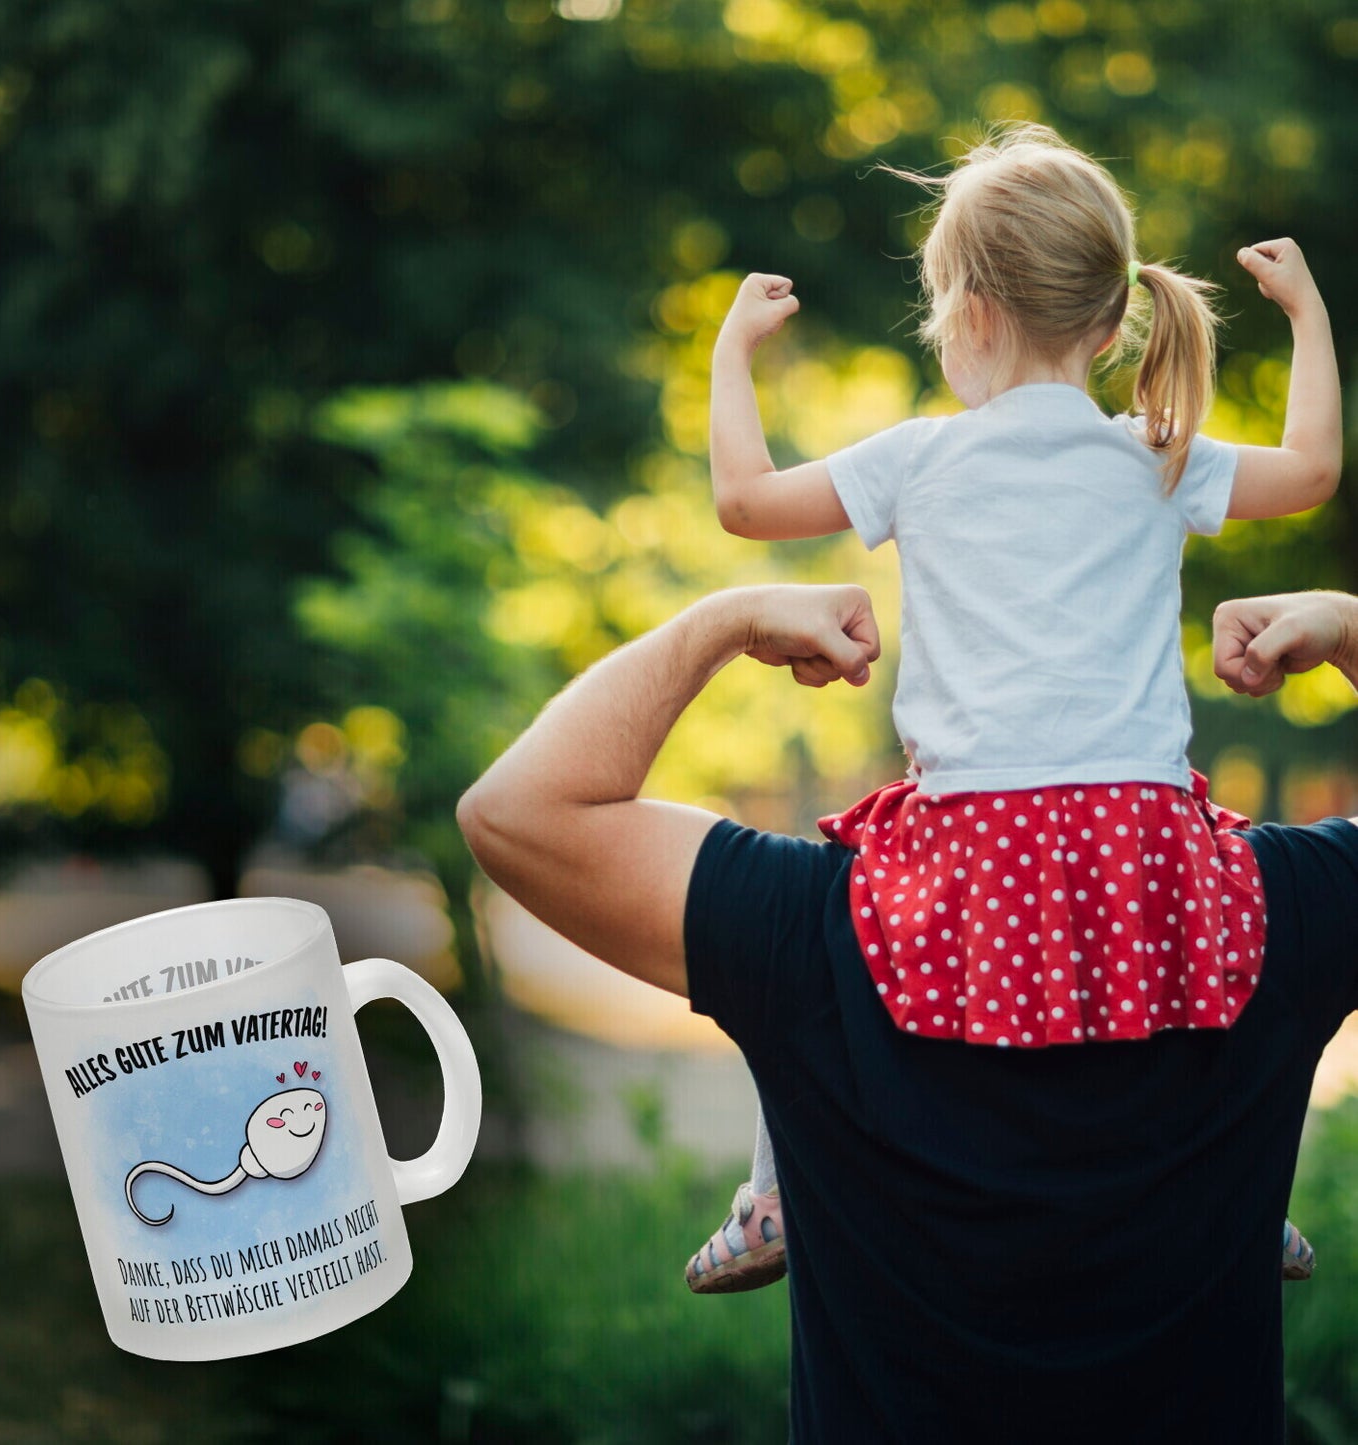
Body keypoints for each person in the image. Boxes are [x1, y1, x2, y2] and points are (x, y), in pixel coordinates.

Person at [458, 583, 1358, 1443]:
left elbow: (516, 811)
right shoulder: (1267, 911)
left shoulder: (817, 924)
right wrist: (1350, 629)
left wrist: (721, 624)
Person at [689, 123, 1339, 1292]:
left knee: (807, 941)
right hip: (1139, 830)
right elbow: (1310, 468)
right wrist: (1305, 317)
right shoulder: (1157, 451)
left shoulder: (917, 459)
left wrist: (730, 349)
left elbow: (742, 500)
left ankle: (774, 1196)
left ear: (967, 316)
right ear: (1107, 322)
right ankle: (1252, 1196)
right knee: (1233, 950)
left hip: (969, 834)